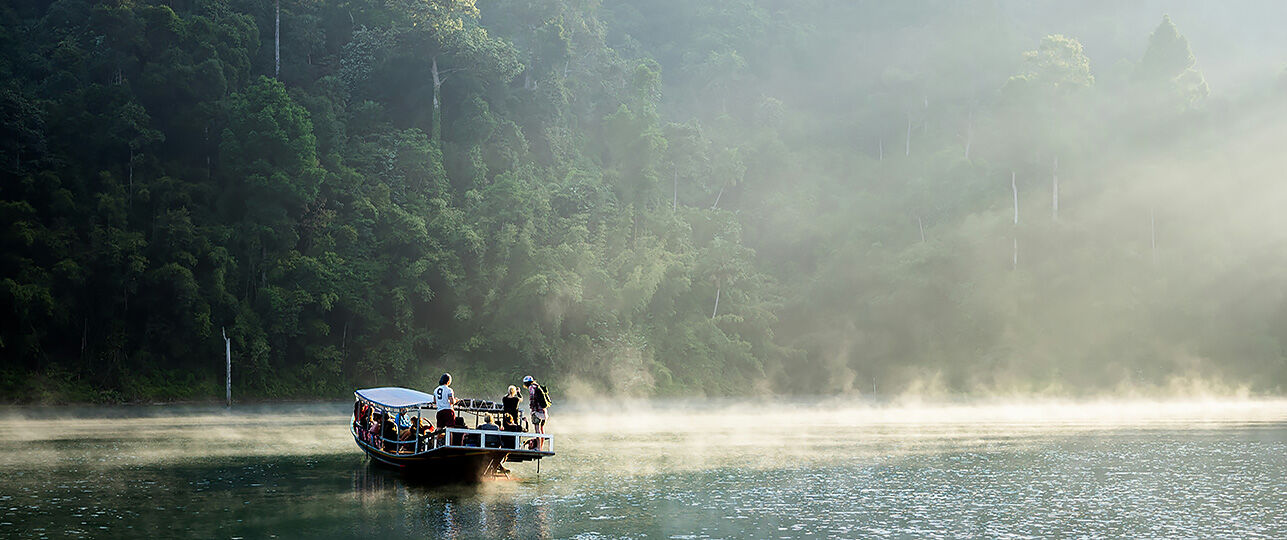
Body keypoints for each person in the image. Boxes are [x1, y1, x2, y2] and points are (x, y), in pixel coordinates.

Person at [523, 375, 551, 449]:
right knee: (542, 429)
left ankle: (538, 448)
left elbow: (532, 398)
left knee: (537, 431)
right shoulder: (538, 386)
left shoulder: (531, 387)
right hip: (544, 412)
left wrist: (532, 409)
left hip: (537, 412)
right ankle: (541, 447)